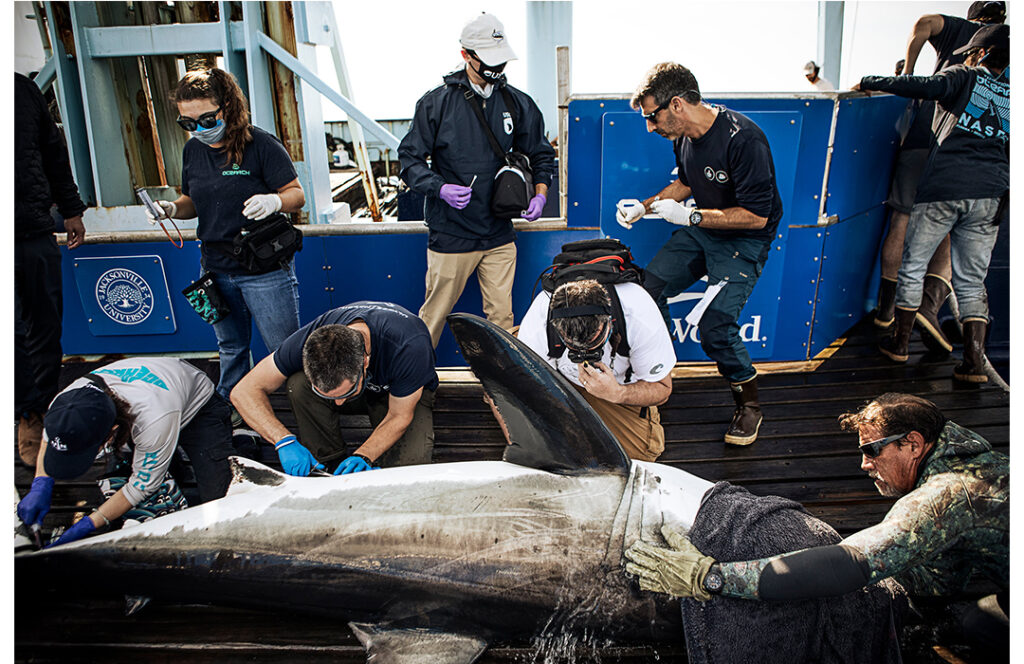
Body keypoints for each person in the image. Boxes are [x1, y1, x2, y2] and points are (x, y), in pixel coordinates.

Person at [624, 393, 1008, 651]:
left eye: (872, 450)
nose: (864, 464)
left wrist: (711, 576)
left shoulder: (949, 495)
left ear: (913, 443)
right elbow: (944, 575)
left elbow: (850, 565)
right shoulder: (965, 452)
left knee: (972, 625)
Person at [617, 62, 784, 446]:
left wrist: (691, 215)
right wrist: (645, 207)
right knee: (645, 288)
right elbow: (687, 182)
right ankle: (657, 373)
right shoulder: (684, 136)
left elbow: (757, 218)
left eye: (651, 116)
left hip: (744, 239)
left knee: (715, 326)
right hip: (704, 229)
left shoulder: (745, 140)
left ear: (676, 105)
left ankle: (750, 405)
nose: (649, 126)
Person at [855, 23, 1008, 382]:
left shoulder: (963, 75)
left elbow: (923, 86)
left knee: (913, 266)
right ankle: (973, 365)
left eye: (971, 51)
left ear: (981, 53)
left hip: (944, 188)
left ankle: (900, 344)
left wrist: (871, 80)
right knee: (972, 281)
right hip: (991, 195)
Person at [145, 68, 305, 404]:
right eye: (188, 123)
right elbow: (192, 201)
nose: (199, 130)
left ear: (227, 108)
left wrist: (275, 200)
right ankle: (232, 415)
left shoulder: (260, 144)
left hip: (263, 270)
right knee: (230, 347)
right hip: (214, 269)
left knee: (285, 349)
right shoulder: (193, 152)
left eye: (206, 119)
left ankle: (303, 414)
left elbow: (296, 194)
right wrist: (171, 209)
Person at [399, 12, 556, 347]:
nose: (496, 70)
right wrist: (439, 188)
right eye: (488, 61)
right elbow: (409, 161)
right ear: (466, 55)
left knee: (502, 321)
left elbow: (542, 155)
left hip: (499, 233)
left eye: (501, 61)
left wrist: (540, 194)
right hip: (451, 234)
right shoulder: (435, 104)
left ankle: (499, 394)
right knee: (433, 316)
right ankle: (416, 386)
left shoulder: (518, 102)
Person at [16, 358, 235, 547]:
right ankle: (168, 460)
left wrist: (90, 523)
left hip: (198, 406)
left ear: (111, 432)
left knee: (220, 502)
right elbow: (49, 438)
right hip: (148, 410)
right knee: (119, 484)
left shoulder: (154, 419)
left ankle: (240, 441)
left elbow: (140, 486)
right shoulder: (66, 403)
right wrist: (40, 483)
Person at [230, 301, 438, 477]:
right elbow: (243, 391)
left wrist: (364, 454)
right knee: (298, 384)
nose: (338, 404)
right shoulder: (314, 339)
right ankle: (328, 463)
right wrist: (282, 440)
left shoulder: (409, 346)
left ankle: (362, 463)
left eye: (345, 394)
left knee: (409, 467)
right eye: (327, 396)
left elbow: (399, 416)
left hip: (401, 397)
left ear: (365, 362)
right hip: (364, 389)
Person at [516, 280, 675, 462]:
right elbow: (524, 388)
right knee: (503, 369)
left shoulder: (638, 315)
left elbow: (662, 387)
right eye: (573, 346)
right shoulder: (539, 319)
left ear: (609, 322)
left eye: (593, 343)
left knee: (636, 459)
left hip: (619, 387)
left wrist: (618, 393)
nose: (584, 354)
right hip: (558, 379)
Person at [14, 72, 88, 467]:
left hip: (33, 230)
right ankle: (25, 410)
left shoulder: (22, 90)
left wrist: (71, 208)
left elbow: (53, 152)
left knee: (45, 323)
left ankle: (38, 411)